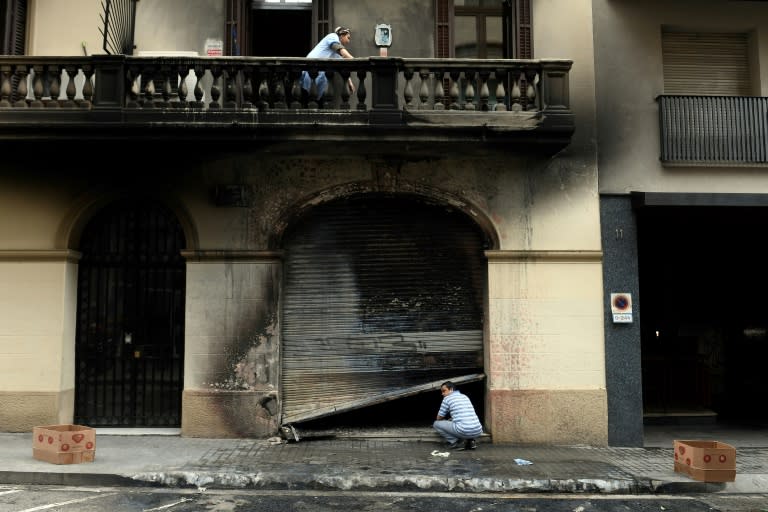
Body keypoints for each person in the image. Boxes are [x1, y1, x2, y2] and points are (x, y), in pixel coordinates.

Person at [301, 26, 355, 101]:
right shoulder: (332, 36)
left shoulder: (335, 53)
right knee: (306, 100)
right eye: (348, 38)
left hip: (318, 79)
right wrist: (355, 60)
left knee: (313, 102)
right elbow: (341, 51)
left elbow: (342, 65)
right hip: (311, 71)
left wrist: (350, 82)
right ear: (342, 35)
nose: (348, 41)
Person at [433, 381, 483, 450]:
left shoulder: (447, 399)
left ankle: (456, 443)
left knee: (436, 424)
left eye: (444, 391)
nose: (442, 394)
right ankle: (471, 442)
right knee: (466, 422)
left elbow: (439, 417)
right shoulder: (464, 396)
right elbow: (463, 414)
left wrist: (446, 421)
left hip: (463, 430)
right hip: (478, 430)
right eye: (441, 392)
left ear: (451, 389)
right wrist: (452, 419)